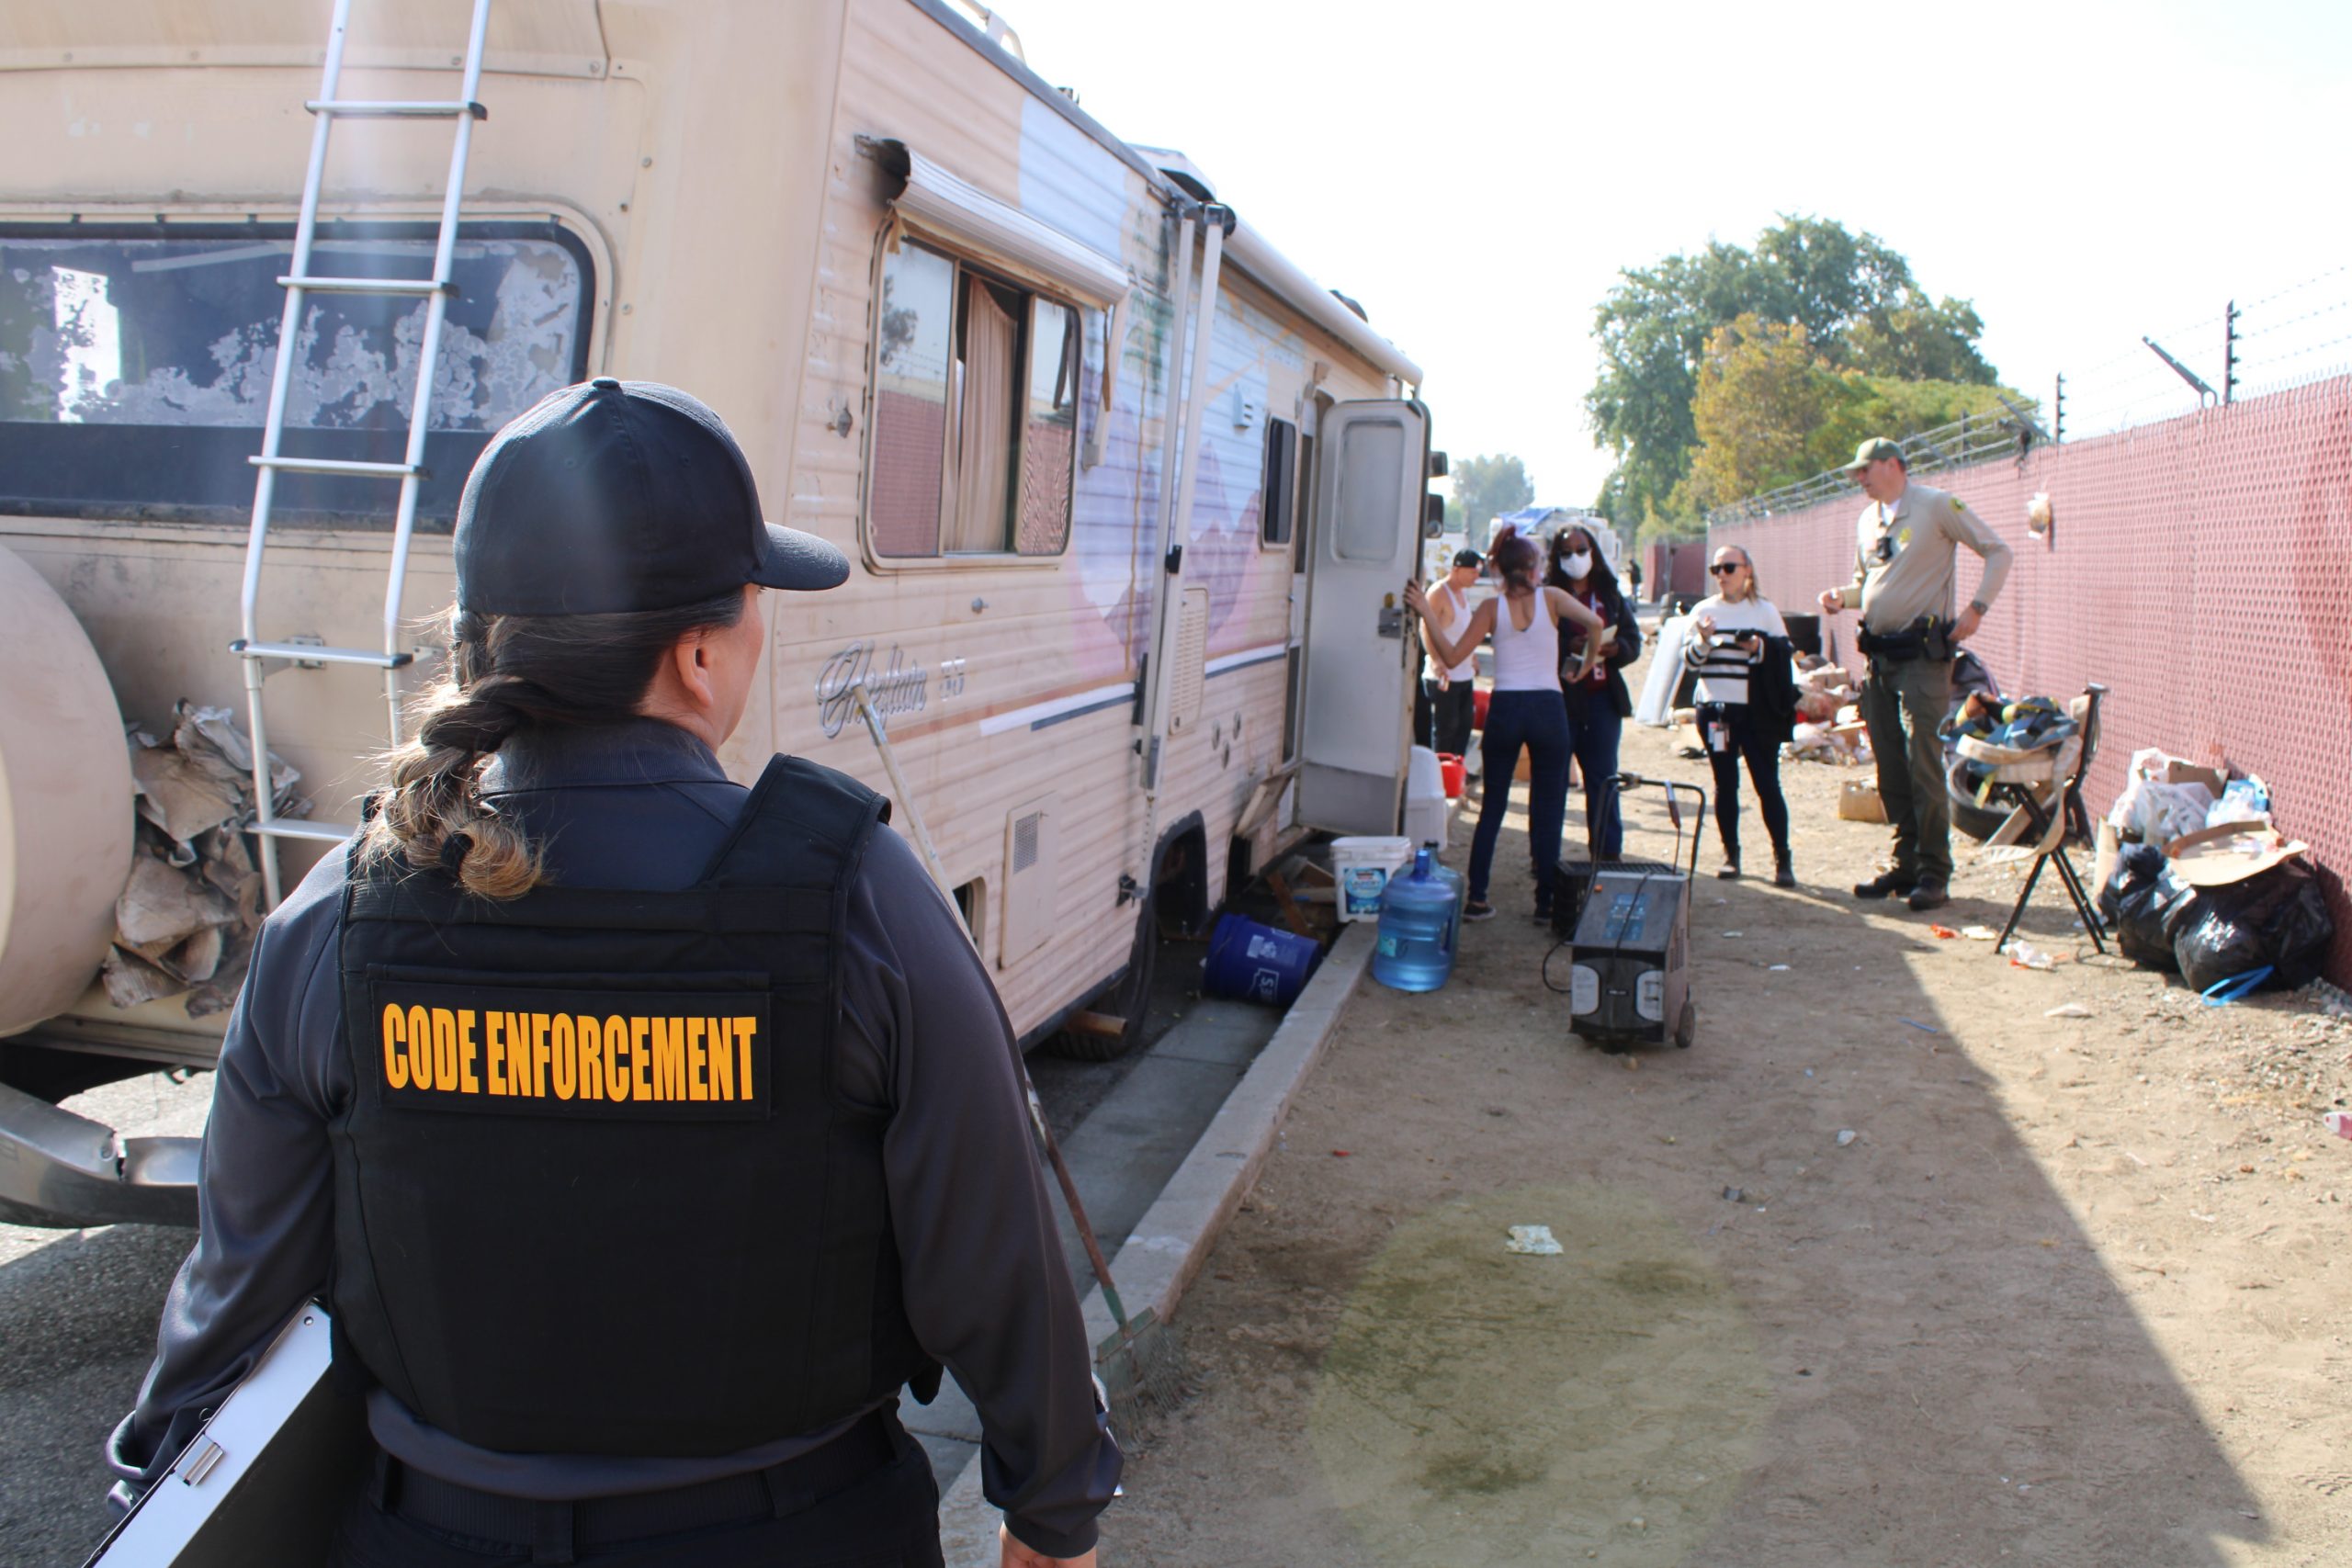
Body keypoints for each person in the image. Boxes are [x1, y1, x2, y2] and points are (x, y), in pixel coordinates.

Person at [107, 379, 1120, 1568]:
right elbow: (997, 1257)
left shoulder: (340, 913)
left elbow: (231, 1295)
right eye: (754, 609)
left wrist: (152, 1493)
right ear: (698, 652)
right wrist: (1053, 1514)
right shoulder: (858, 896)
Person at [1816, 435, 2013, 914]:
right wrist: (1843, 597)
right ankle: (1904, 863)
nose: (1859, 480)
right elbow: (1870, 584)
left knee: (1923, 761)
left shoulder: (1936, 506)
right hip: (1879, 659)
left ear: (1892, 465)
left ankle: (1933, 872)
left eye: (1865, 471)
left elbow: (1997, 551)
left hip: (1923, 656)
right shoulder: (1869, 519)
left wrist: (1977, 609)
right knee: (1889, 764)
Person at [1407, 525, 1610, 923]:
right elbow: (1597, 625)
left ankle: (1478, 897)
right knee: (1548, 807)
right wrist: (1583, 669)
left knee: (1493, 807)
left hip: (1507, 707)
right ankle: (1546, 903)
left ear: (1499, 569)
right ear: (1534, 567)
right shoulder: (1552, 598)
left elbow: (1450, 656)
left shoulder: (1490, 608)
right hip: (1548, 707)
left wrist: (1426, 611)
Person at [1684, 545, 1794, 886]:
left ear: (1747, 570)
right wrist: (1703, 640)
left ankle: (1782, 858)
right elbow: (1688, 664)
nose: (1722, 575)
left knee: (1767, 784)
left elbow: (1784, 658)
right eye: (1715, 569)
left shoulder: (1764, 611)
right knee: (1724, 784)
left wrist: (1759, 647)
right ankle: (1731, 854)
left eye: (1729, 567)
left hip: (1757, 711)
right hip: (1716, 710)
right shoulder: (1703, 611)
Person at [1543, 525, 1642, 863]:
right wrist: (1565, 646)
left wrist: (1616, 649)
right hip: (1561, 698)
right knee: (1553, 780)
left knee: (1603, 778)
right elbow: (1534, 642)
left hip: (1602, 699)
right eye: (1567, 552)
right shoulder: (1548, 595)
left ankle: (1607, 853)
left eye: (1582, 550)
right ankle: (1544, 857)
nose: (1576, 558)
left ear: (1594, 552)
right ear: (1557, 558)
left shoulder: (1610, 594)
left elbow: (1633, 641)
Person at [1413, 547, 1482, 761]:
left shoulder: (1462, 593)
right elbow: (1426, 627)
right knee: (1446, 729)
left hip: (1464, 674)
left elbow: (1462, 630)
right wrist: (1436, 659)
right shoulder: (1439, 592)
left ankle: (1455, 774)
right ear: (1457, 569)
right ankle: (1440, 774)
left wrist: (1472, 656)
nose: (1476, 577)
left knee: (1464, 727)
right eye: (1473, 572)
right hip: (1443, 676)